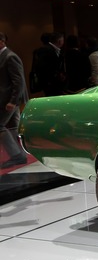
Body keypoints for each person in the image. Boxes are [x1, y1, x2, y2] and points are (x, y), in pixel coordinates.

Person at [0, 32, 30, 169]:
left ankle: (17, 155)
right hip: (7, 100)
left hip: (10, 100)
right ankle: (21, 153)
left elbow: (18, 81)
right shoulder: (4, 56)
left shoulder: (10, 57)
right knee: (14, 126)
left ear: (2, 41)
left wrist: (13, 101)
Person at [36, 32, 66, 97]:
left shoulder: (56, 50)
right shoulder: (45, 50)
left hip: (55, 83)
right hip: (50, 84)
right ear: (59, 41)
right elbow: (43, 68)